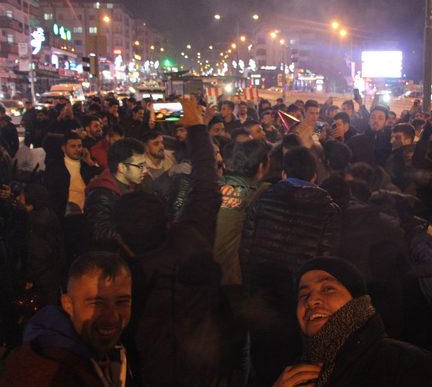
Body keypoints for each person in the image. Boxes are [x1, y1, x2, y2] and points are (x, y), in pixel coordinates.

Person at [112, 96, 237, 386]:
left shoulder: (121, 283)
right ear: (166, 220)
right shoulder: (192, 239)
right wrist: (196, 127)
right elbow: (206, 183)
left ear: (122, 239)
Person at [240, 146, 340, 385]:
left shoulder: (264, 198)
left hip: (262, 290)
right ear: (314, 177)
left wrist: (251, 283)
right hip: (299, 295)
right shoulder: (329, 209)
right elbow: (326, 257)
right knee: (293, 354)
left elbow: (246, 246)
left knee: (260, 352)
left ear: (284, 173)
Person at [273, 257, 432, 387]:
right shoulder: (293, 373)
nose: (311, 301)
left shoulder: (406, 365)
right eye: (303, 295)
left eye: (328, 289)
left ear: (358, 301)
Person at [1, 251, 133, 386]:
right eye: (96, 303)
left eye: (122, 302)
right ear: (68, 305)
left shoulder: (108, 352)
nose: (112, 317)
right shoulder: (44, 372)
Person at [214, 139, 271, 286]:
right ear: (260, 167)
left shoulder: (212, 185)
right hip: (228, 273)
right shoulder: (261, 192)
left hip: (195, 265)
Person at [84, 138, 147, 253]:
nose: (145, 170)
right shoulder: (101, 196)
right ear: (122, 167)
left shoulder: (136, 186)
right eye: (140, 166)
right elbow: (103, 236)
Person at [44, 131, 101, 219]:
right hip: (66, 213)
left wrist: (89, 161)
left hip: (88, 212)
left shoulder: (86, 164)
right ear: (64, 148)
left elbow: (100, 177)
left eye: (79, 146)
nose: (78, 149)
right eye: (73, 146)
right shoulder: (55, 166)